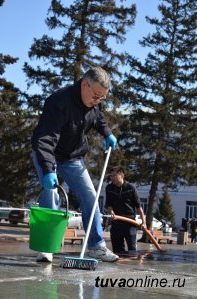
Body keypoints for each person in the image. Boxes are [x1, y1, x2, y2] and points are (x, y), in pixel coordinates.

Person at [31, 66, 119, 263]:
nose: (98, 101)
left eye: (102, 98)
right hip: (48, 153)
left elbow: (99, 118)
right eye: (96, 95)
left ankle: (96, 246)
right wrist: (47, 169)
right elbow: (45, 139)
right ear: (84, 84)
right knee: (51, 194)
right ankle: (47, 247)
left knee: (90, 196)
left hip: (72, 157)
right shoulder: (58, 102)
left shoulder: (94, 102)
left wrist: (107, 133)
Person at [105, 166, 146, 253]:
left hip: (130, 223)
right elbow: (108, 204)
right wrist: (111, 212)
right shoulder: (109, 188)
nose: (112, 178)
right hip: (116, 223)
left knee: (132, 251)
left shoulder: (130, 188)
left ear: (121, 175)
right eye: (111, 176)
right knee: (117, 251)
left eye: (114, 176)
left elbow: (138, 206)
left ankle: (132, 265)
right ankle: (118, 265)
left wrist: (144, 222)